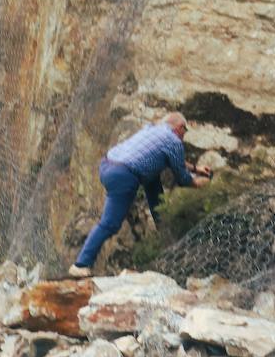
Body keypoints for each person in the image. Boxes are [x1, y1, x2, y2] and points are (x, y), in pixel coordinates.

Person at [68, 112, 211, 277]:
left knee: (153, 184)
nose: (184, 137)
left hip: (108, 165)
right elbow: (183, 178)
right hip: (123, 175)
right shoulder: (173, 141)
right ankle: (81, 264)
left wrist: (195, 168)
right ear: (179, 128)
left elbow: (174, 160)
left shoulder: (151, 129)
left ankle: (164, 229)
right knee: (110, 224)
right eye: (185, 132)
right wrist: (200, 183)